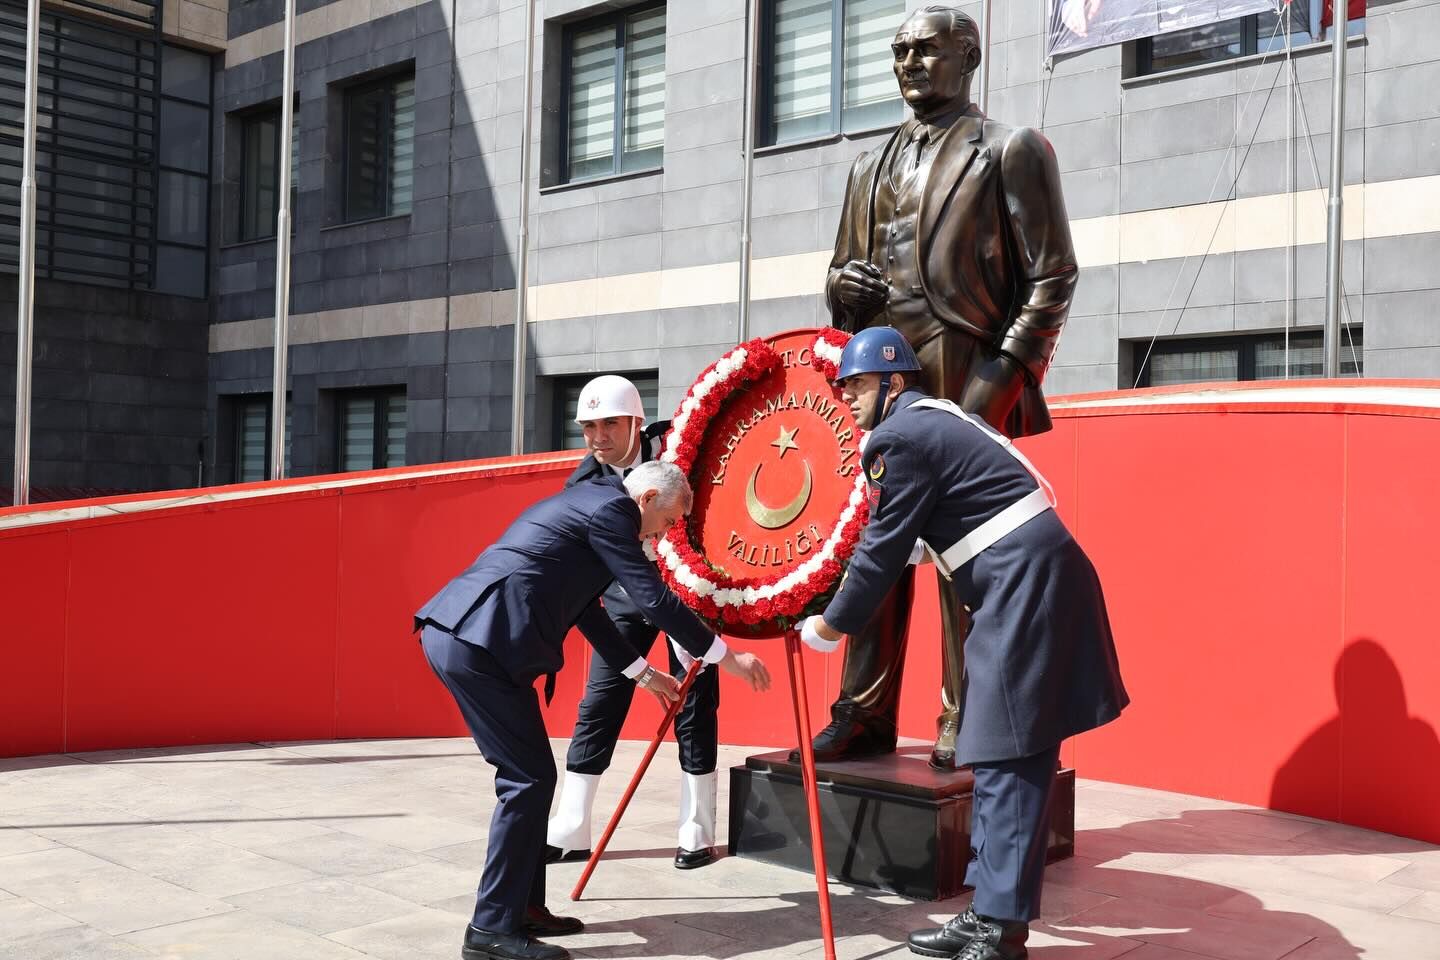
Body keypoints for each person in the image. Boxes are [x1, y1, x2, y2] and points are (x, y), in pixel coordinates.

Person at [798, 328, 1127, 960]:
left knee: (1005, 757)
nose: (849, 397)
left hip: (1021, 585)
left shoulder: (899, 436)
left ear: (894, 382)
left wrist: (828, 624)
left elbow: (881, 553)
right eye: (844, 387)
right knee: (1010, 756)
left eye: (860, 384)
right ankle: (991, 916)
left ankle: (997, 926)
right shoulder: (934, 419)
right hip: (1029, 579)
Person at [818, 4, 1079, 767]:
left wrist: (998, 380)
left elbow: (1053, 276)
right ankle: (863, 713)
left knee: (963, 561)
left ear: (968, 54)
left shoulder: (1010, 150)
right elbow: (838, 284)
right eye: (898, 51)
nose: (908, 63)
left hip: (966, 374)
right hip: (885, 388)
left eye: (925, 49)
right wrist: (846, 288)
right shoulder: (868, 169)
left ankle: (963, 719)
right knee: (879, 542)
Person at [415, 460, 772, 960]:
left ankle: (521, 908)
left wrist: (644, 676)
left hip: (477, 639)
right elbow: (651, 599)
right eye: (669, 520)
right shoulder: (612, 512)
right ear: (647, 500)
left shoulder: (592, 507)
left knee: (532, 778)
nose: (668, 533)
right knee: (527, 779)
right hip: (477, 639)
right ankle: (491, 930)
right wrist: (725, 656)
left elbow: (589, 611)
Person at [546, 375, 726, 870]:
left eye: (609, 423)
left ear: (636, 421)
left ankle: (697, 829)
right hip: (624, 599)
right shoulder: (582, 483)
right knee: (600, 701)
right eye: (588, 427)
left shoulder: (681, 444)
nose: (599, 436)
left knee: (693, 705)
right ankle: (571, 827)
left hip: (687, 595)